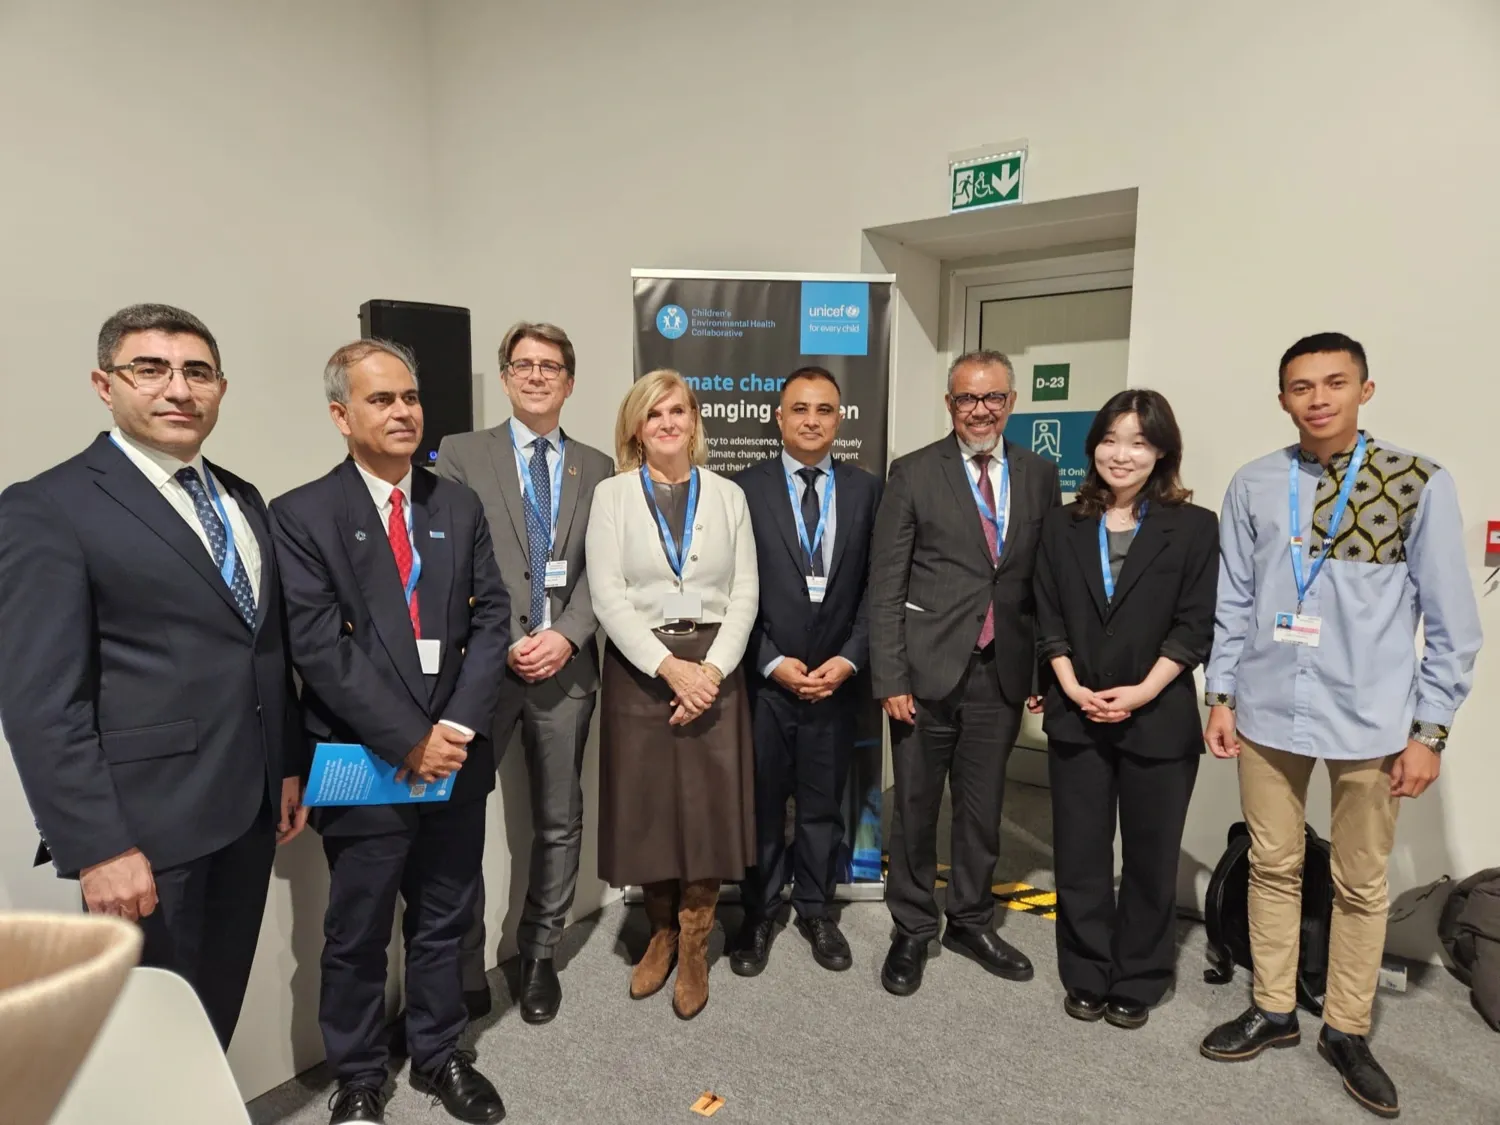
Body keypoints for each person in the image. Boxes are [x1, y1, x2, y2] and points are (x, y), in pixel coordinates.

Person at [0, 303, 306, 1050]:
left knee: (209, 1019)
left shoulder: (241, 496)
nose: (178, 389)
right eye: (151, 369)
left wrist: (289, 766)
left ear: (221, 388)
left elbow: (263, 648)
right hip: (145, 831)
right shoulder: (48, 507)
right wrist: (98, 845)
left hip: (250, 809)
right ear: (105, 384)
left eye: (197, 372)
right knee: (142, 1036)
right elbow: (41, 699)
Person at [1198, 333, 1482, 1120]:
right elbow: (1233, 600)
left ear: (1366, 388)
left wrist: (1431, 730)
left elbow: (1454, 622)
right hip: (1263, 707)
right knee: (1273, 861)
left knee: (1361, 880)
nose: (1317, 397)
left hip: (1373, 718)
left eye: (1334, 382)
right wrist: (1218, 694)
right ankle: (1274, 1006)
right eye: (1300, 385)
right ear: (1282, 397)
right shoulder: (1256, 483)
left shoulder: (1415, 482)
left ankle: (1348, 1029)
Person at [270, 340, 509, 1125]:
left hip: (456, 759)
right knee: (357, 929)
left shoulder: (457, 505)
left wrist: (455, 727)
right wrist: (411, 739)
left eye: (410, 396)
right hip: (366, 763)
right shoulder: (303, 515)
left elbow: (494, 621)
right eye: (382, 400)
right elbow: (319, 649)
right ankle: (360, 1076)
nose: (404, 411)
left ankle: (441, 1053)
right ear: (342, 415)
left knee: (446, 916)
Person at [868, 348, 1061, 997]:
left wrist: (1038, 663)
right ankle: (914, 924)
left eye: (993, 397)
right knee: (917, 806)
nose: (980, 409)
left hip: (999, 672)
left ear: (1010, 402)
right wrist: (890, 675)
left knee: (983, 809)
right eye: (966, 398)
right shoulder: (915, 472)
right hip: (924, 670)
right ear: (950, 404)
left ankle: (972, 919)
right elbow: (887, 581)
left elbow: (1039, 582)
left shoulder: (1038, 474)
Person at [438, 322, 614, 1025]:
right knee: (459, 825)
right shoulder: (459, 453)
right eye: (524, 364)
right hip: (485, 666)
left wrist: (566, 637)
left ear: (569, 382)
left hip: (566, 668)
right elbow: (450, 557)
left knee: (559, 819)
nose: (537, 376)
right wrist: (511, 637)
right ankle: (464, 965)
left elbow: (608, 569)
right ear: (506, 376)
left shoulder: (598, 466)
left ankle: (540, 953)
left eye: (551, 366)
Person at [1033, 389, 1218, 1030]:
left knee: (1149, 857)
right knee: (1080, 856)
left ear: (1161, 450)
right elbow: (1046, 614)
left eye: (1139, 441)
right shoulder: (1063, 524)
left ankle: (1139, 976)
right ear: (1093, 448)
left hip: (1158, 717)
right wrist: (1069, 682)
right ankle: (1086, 971)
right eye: (1111, 439)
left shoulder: (1195, 526)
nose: (1122, 453)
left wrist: (1142, 691)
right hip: (1075, 711)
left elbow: (1196, 626)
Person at [585, 369, 758, 1020]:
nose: (667, 422)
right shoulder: (611, 496)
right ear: (636, 425)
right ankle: (659, 930)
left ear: (694, 420)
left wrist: (708, 672)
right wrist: (668, 668)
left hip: (716, 665)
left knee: (707, 810)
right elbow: (608, 596)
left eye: (678, 410)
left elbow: (744, 592)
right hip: (641, 668)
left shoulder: (728, 496)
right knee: (650, 807)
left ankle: (694, 941)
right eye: (653, 412)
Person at [727, 367, 883, 976]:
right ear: (779, 417)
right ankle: (760, 911)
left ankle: (816, 908)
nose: (812, 420)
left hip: (838, 684)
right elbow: (731, 590)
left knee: (822, 806)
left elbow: (879, 587)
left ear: (839, 419)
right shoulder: (741, 490)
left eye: (824, 409)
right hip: (765, 683)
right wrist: (769, 659)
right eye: (799, 409)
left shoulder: (869, 491)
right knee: (763, 805)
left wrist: (848, 659)